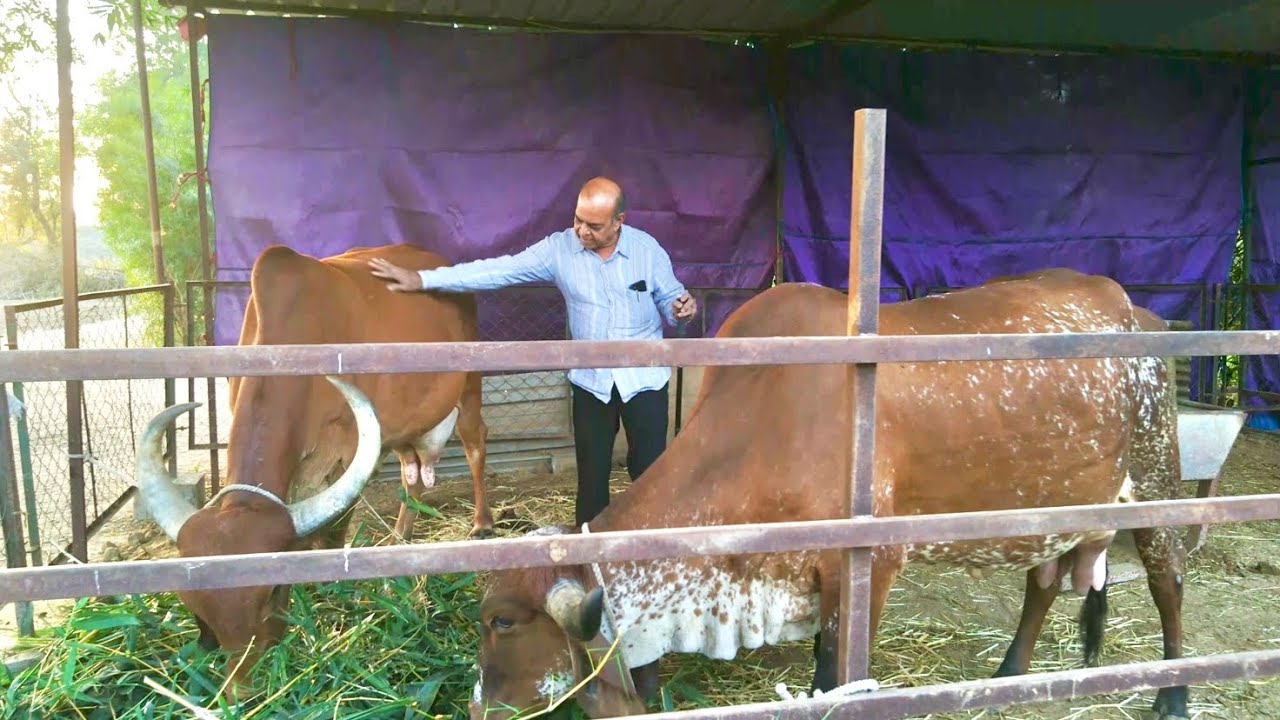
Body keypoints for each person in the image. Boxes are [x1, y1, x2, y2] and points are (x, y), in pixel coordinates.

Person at [369, 177, 697, 526]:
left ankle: (651, 545)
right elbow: (499, 270)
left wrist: (681, 310)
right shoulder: (559, 249)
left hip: (644, 380)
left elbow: (671, 299)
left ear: (620, 221)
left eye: (594, 226)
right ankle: (589, 558)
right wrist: (423, 280)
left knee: (649, 470)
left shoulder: (648, 251)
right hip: (591, 382)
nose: (582, 231)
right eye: (578, 220)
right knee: (592, 476)